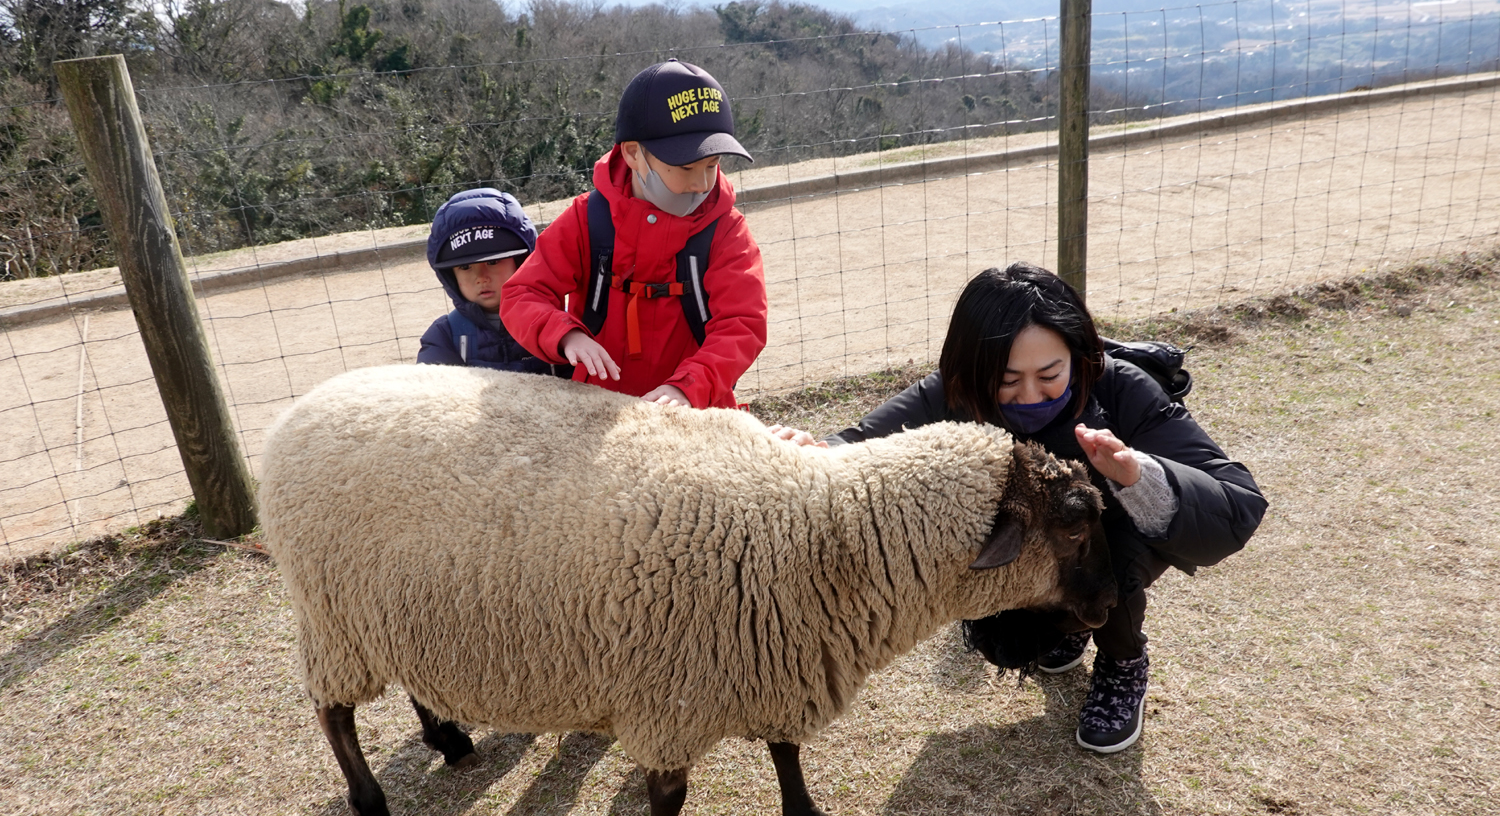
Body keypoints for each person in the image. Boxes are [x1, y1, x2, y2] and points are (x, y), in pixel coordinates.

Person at [770, 264, 1267, 753]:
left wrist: (1137, 475)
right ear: (973, 367)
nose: (1030, 395)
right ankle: (1065, 628)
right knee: (1009, 613)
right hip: (1030, 546)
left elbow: (1236, 503)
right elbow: (864, 442)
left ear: (1078, 354)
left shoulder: (1121, 389)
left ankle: (1123, 663)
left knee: (1103, 567)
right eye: (1007, 380)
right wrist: (821, 451)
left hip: (1110, 538)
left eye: (1050, 374)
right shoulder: (953, 391)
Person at [500, 58, 767, 408]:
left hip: (694, 409)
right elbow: (522, 293)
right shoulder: (588, 218)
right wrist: (566, 335)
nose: (702, 183)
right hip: (594, 408)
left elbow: (742, 325)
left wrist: (688, 387)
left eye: (713, 165)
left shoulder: (726, 229)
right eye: (686, 166)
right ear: (633, 153)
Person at [418, 187, 558, 375]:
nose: (481, 277)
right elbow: (430, 392)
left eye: (493, 262)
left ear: (522, 262)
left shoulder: (556, 323)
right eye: (465, 267)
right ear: (450, 276)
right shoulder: (445, 336)